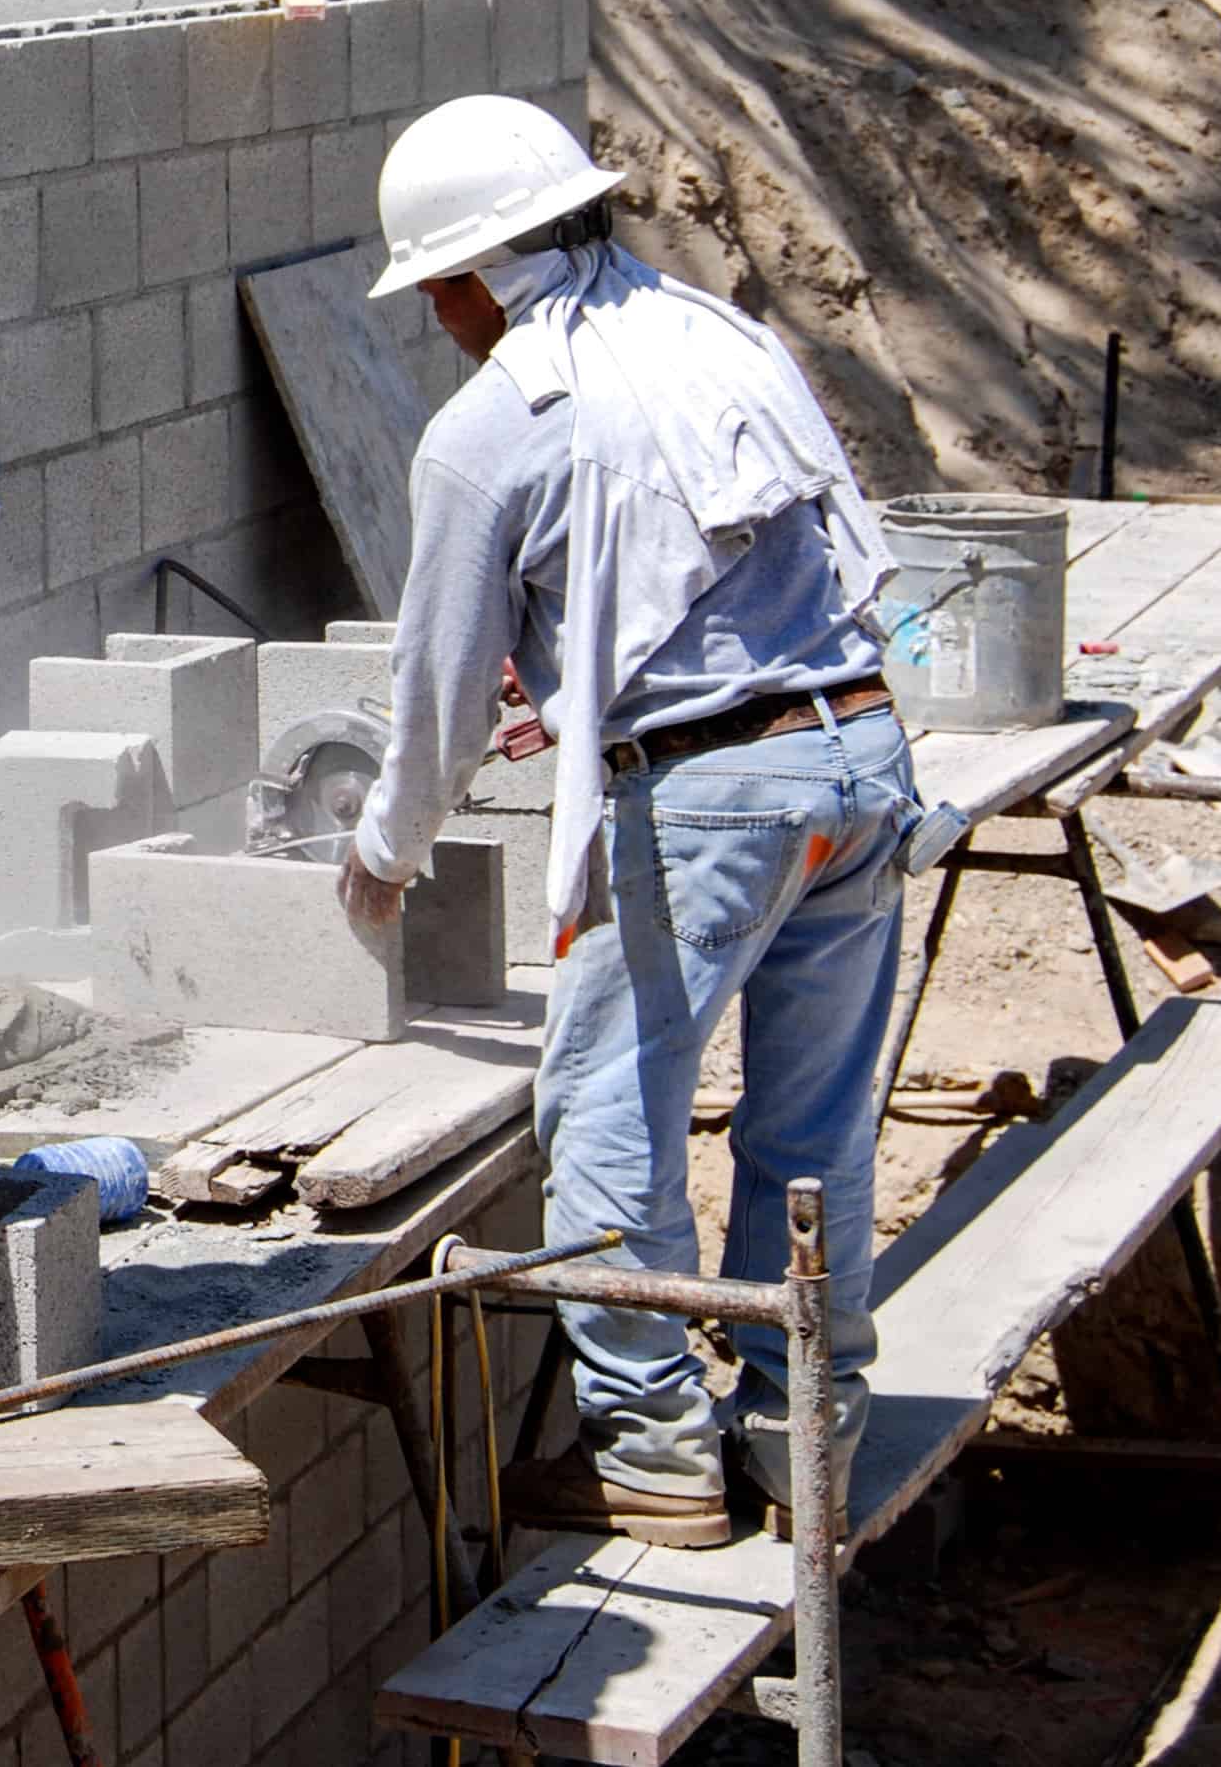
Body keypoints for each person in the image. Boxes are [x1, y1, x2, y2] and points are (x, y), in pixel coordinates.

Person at [339, 92, 912, 1546]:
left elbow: (440, 686)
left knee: (602, 1107)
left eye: (438, 292)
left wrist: (385, 849)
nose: (440, 320)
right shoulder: (721, 335)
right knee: (814, 1120)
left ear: (477, 274)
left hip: (716, 799)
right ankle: (806, 1427)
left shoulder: (495, 425)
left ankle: (653, 1449)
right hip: (859, 755)